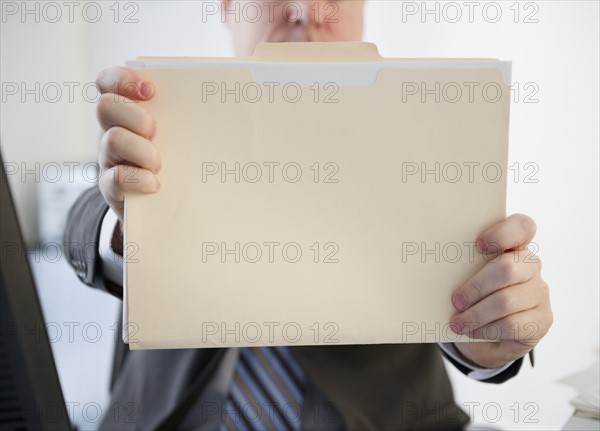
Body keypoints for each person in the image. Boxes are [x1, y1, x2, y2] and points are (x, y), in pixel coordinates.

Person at [64, 1, 553, 429]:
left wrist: (487, 333)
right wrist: (129, 225)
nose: (308, 12)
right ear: (229, 6)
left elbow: (465, 282)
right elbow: (85, 219)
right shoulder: (164, 121)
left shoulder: (429, 138)